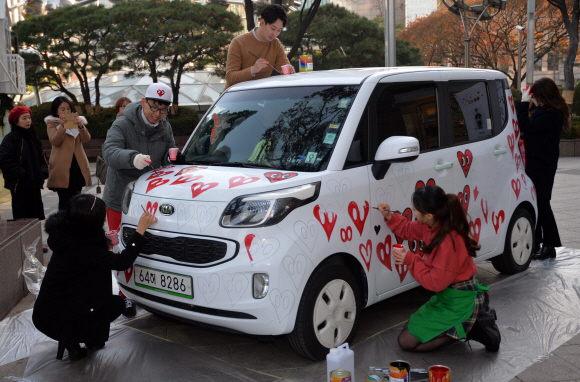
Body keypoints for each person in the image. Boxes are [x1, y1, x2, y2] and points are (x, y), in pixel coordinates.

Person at [32, 194, 157, 361]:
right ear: (93, 221)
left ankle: (81, 337)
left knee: (96, 301)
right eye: (102, 215)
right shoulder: (85, 249)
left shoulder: (65, 237)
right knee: (116, 304)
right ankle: (74, 341)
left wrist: (104, 245)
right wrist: (140, 231)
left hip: (48, 310)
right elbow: (122, 262)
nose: (105, 219)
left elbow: (88, 266)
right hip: (60, 317)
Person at [378, 185, 501, 352]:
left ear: (429, 215)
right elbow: (408, 230)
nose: (412, 211)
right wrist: (389, 216)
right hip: (447, 294)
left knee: (406, 342)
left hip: (459, 299)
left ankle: (470, 328)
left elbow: (435, 283)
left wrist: (411, 260)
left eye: (415, 209)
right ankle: (462, 327)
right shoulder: (432, 224)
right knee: (410, 329)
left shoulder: (448, 242)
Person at [102, 82, 176, 317]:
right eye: (153, 108)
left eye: (163, 110)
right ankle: (125, 296)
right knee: (121, 247)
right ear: (143, 102)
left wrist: (173, 157)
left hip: (151, 199)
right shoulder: (123, 123)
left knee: (149, 244)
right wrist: (132, 158)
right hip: (121, 200)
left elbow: (169, 152)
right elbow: (109, 151)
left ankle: (152, 289)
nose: (157, 115)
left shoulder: (165, 127)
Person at [517, 78, 568, 260]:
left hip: (543, 164)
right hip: (537, 162)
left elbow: (527, 126)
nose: (534, 99)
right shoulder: (545, 110)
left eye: (536, 96)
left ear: (544, 95)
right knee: (537, 203)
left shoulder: (554, 114)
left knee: (542, 203)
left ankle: (550, 245)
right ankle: (537, 242)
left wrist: (523, 103)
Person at [224, 4, 295, 90]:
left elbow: (284, 68)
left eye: (279, 30)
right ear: (262, 22)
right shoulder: (238, 42)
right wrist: (253, 70)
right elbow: (230, 78)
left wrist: (289, 71)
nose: (275, 34)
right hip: (236, 97)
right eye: (273, 28)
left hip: (259, 97)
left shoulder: (275, 43)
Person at [0, 106, 48, 220]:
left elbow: (42, 157)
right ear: (16, 122)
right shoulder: (11, 138)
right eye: (24, 118)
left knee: (35, 218)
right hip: (20, 187)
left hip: (34, 185)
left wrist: (43, 171)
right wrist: (21, 173)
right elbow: (4, 160)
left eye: (29, 118)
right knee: (22, 220)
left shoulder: (33, 137)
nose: (28, 121)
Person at [45, 97, 92, 210]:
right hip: (62, 168)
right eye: (62, 109)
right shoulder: (51, 123)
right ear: (56, 111)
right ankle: (64, 224)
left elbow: (86, 139)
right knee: (65, 200)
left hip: (77, 165)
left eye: (68, 109)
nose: (66, 112)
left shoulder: (77, 121)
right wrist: (62, 126)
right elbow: (55, 141)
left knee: (77, 199)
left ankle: (76, 224)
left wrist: (81, 126)